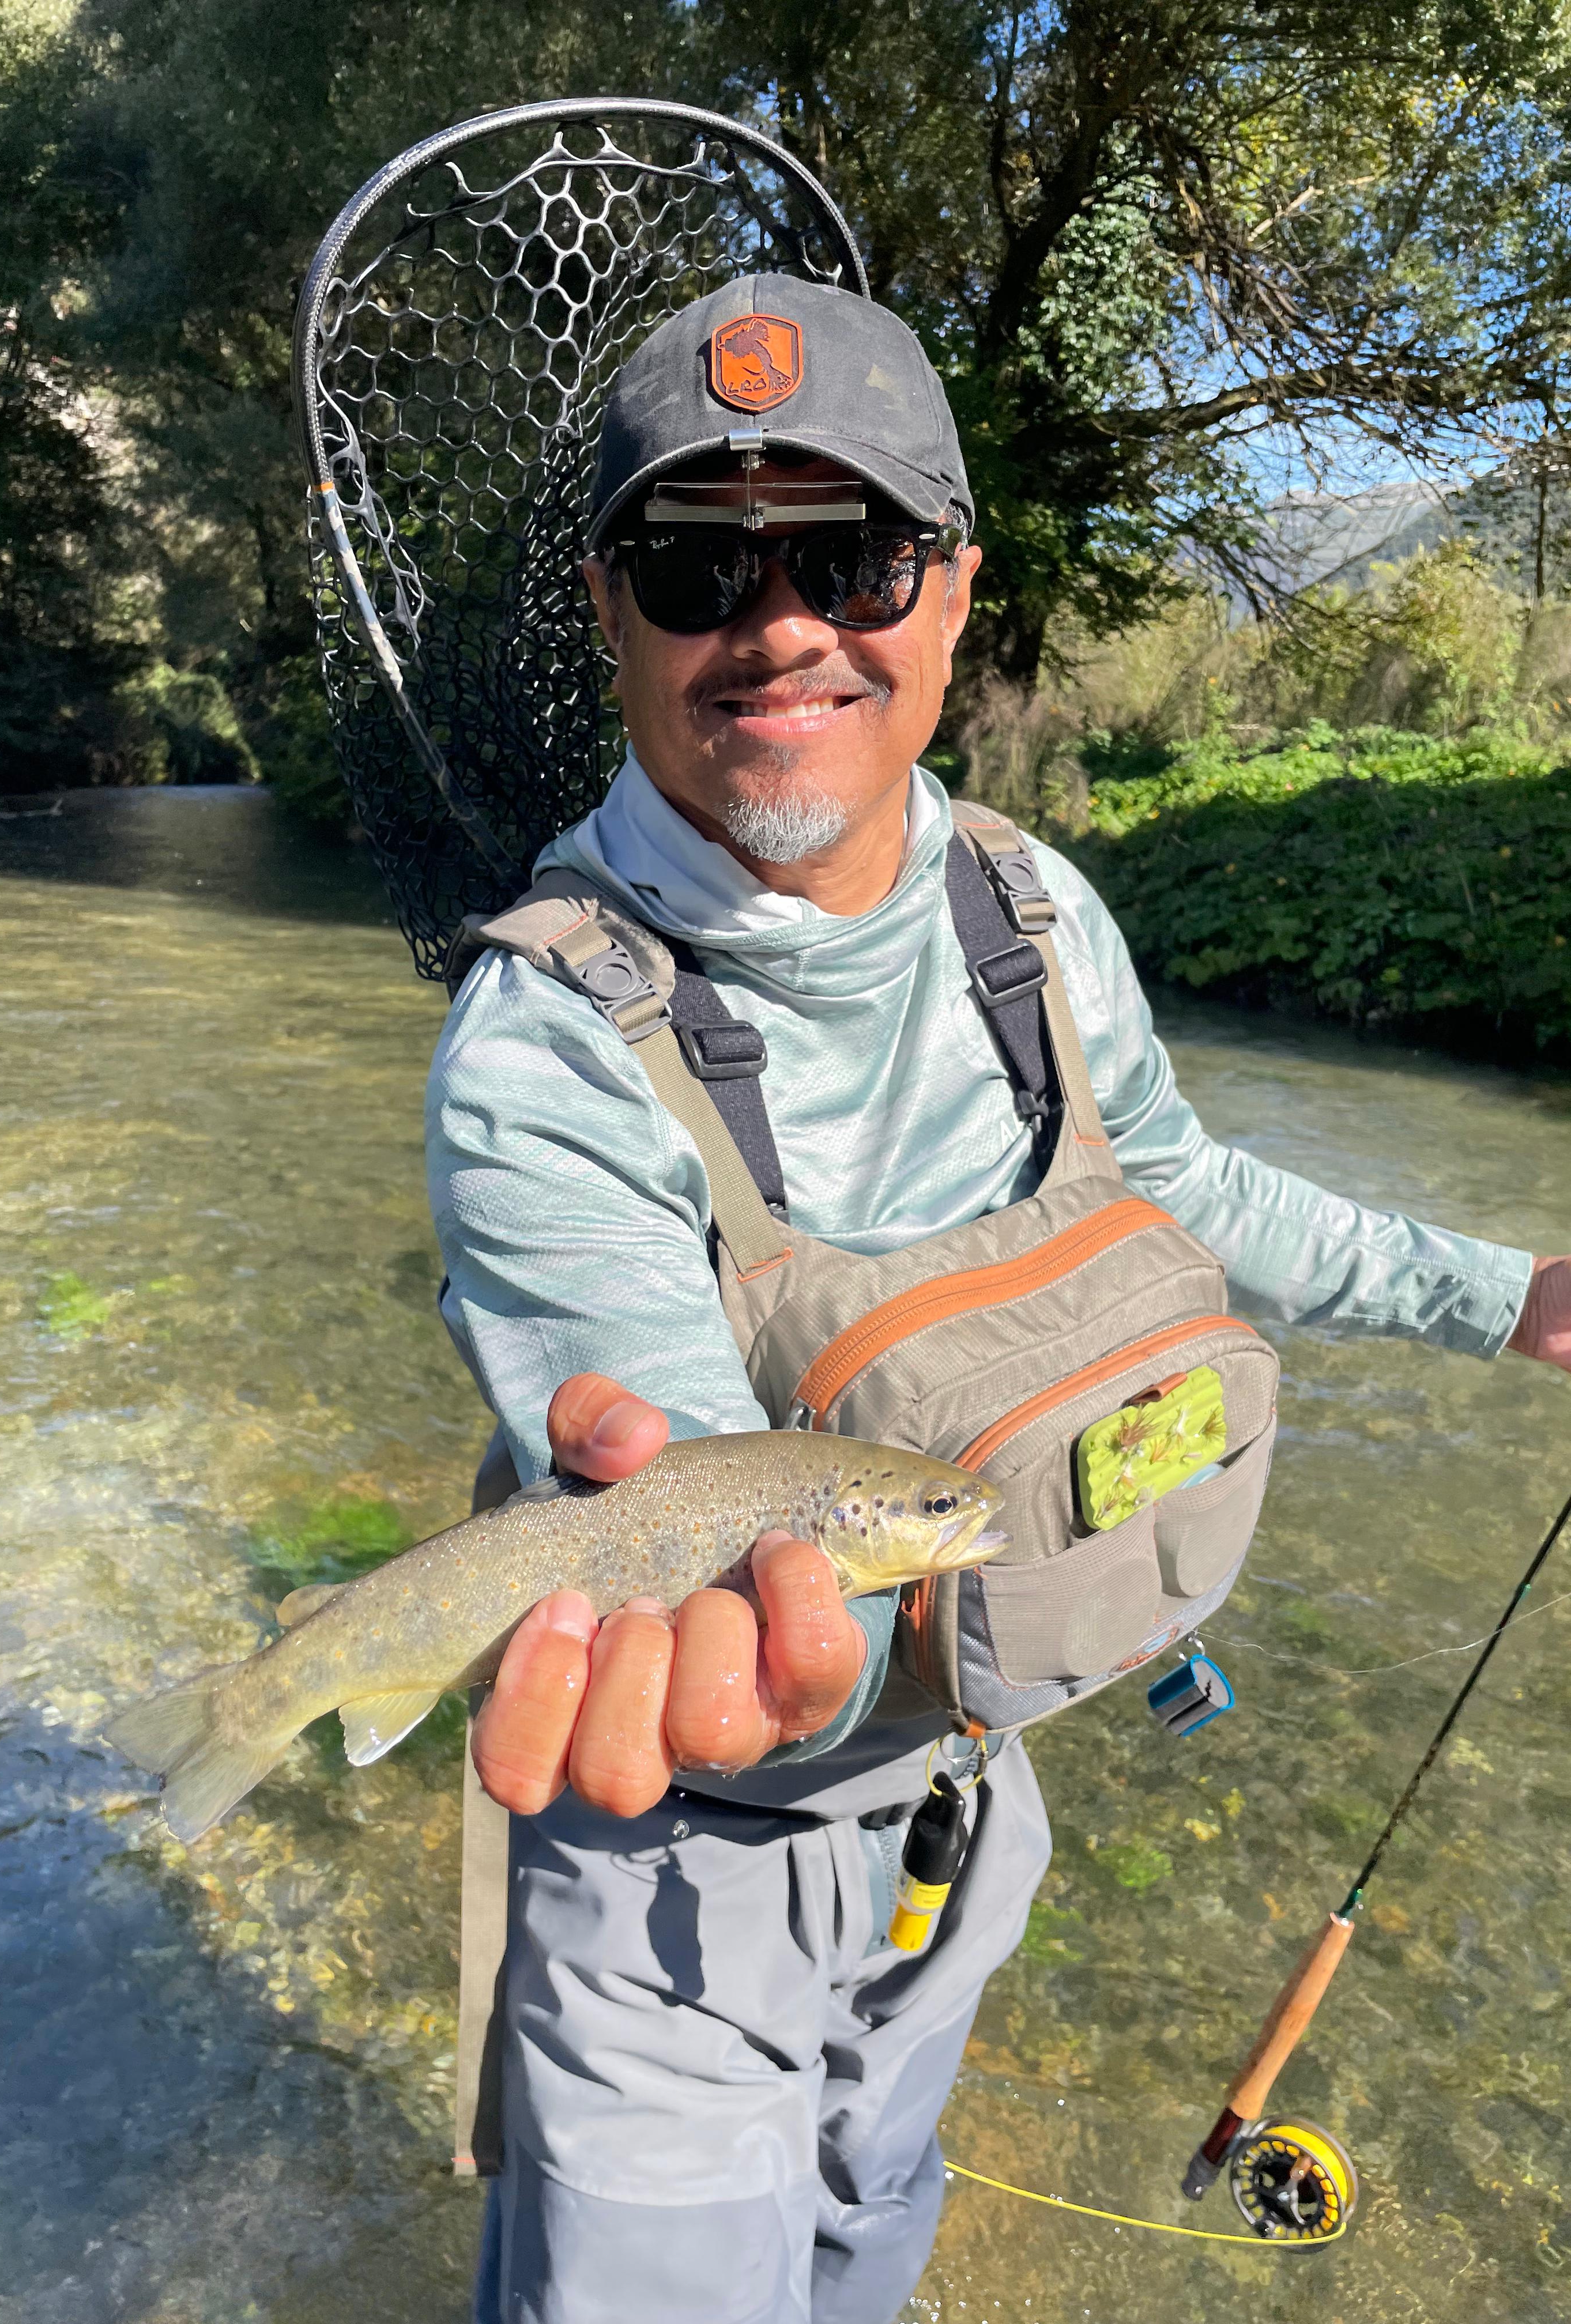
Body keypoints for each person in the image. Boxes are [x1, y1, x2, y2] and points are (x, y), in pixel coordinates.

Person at [426, 273, 1571, 2324]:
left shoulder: (1030, 906)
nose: (780, 626)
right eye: (699, 563)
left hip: (968, 1787)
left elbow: (1186, 1192)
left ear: (951, 593)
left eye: (847, 554)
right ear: (612, 611)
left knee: (875, 2240)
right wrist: (726, 1605)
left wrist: (1514, 1295)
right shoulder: (540, 1043)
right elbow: (668, 1457)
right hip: (689, 1844)